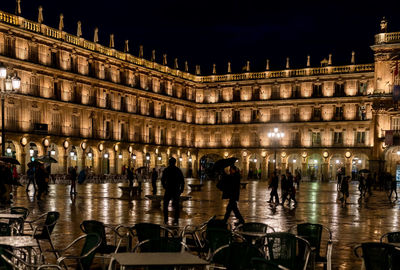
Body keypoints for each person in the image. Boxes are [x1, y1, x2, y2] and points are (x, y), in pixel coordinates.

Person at [161, 157, 184, 225]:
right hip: (176, 189)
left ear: (169, 162)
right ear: (175, 162)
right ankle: (176, 220)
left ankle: (166, 219)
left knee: (165, 205)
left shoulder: (166, 170)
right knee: (176, 206)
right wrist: (181, 189)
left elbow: (162, 180)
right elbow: (182, 181)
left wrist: (165, 187)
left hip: (168, 189)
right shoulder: (178, 170)